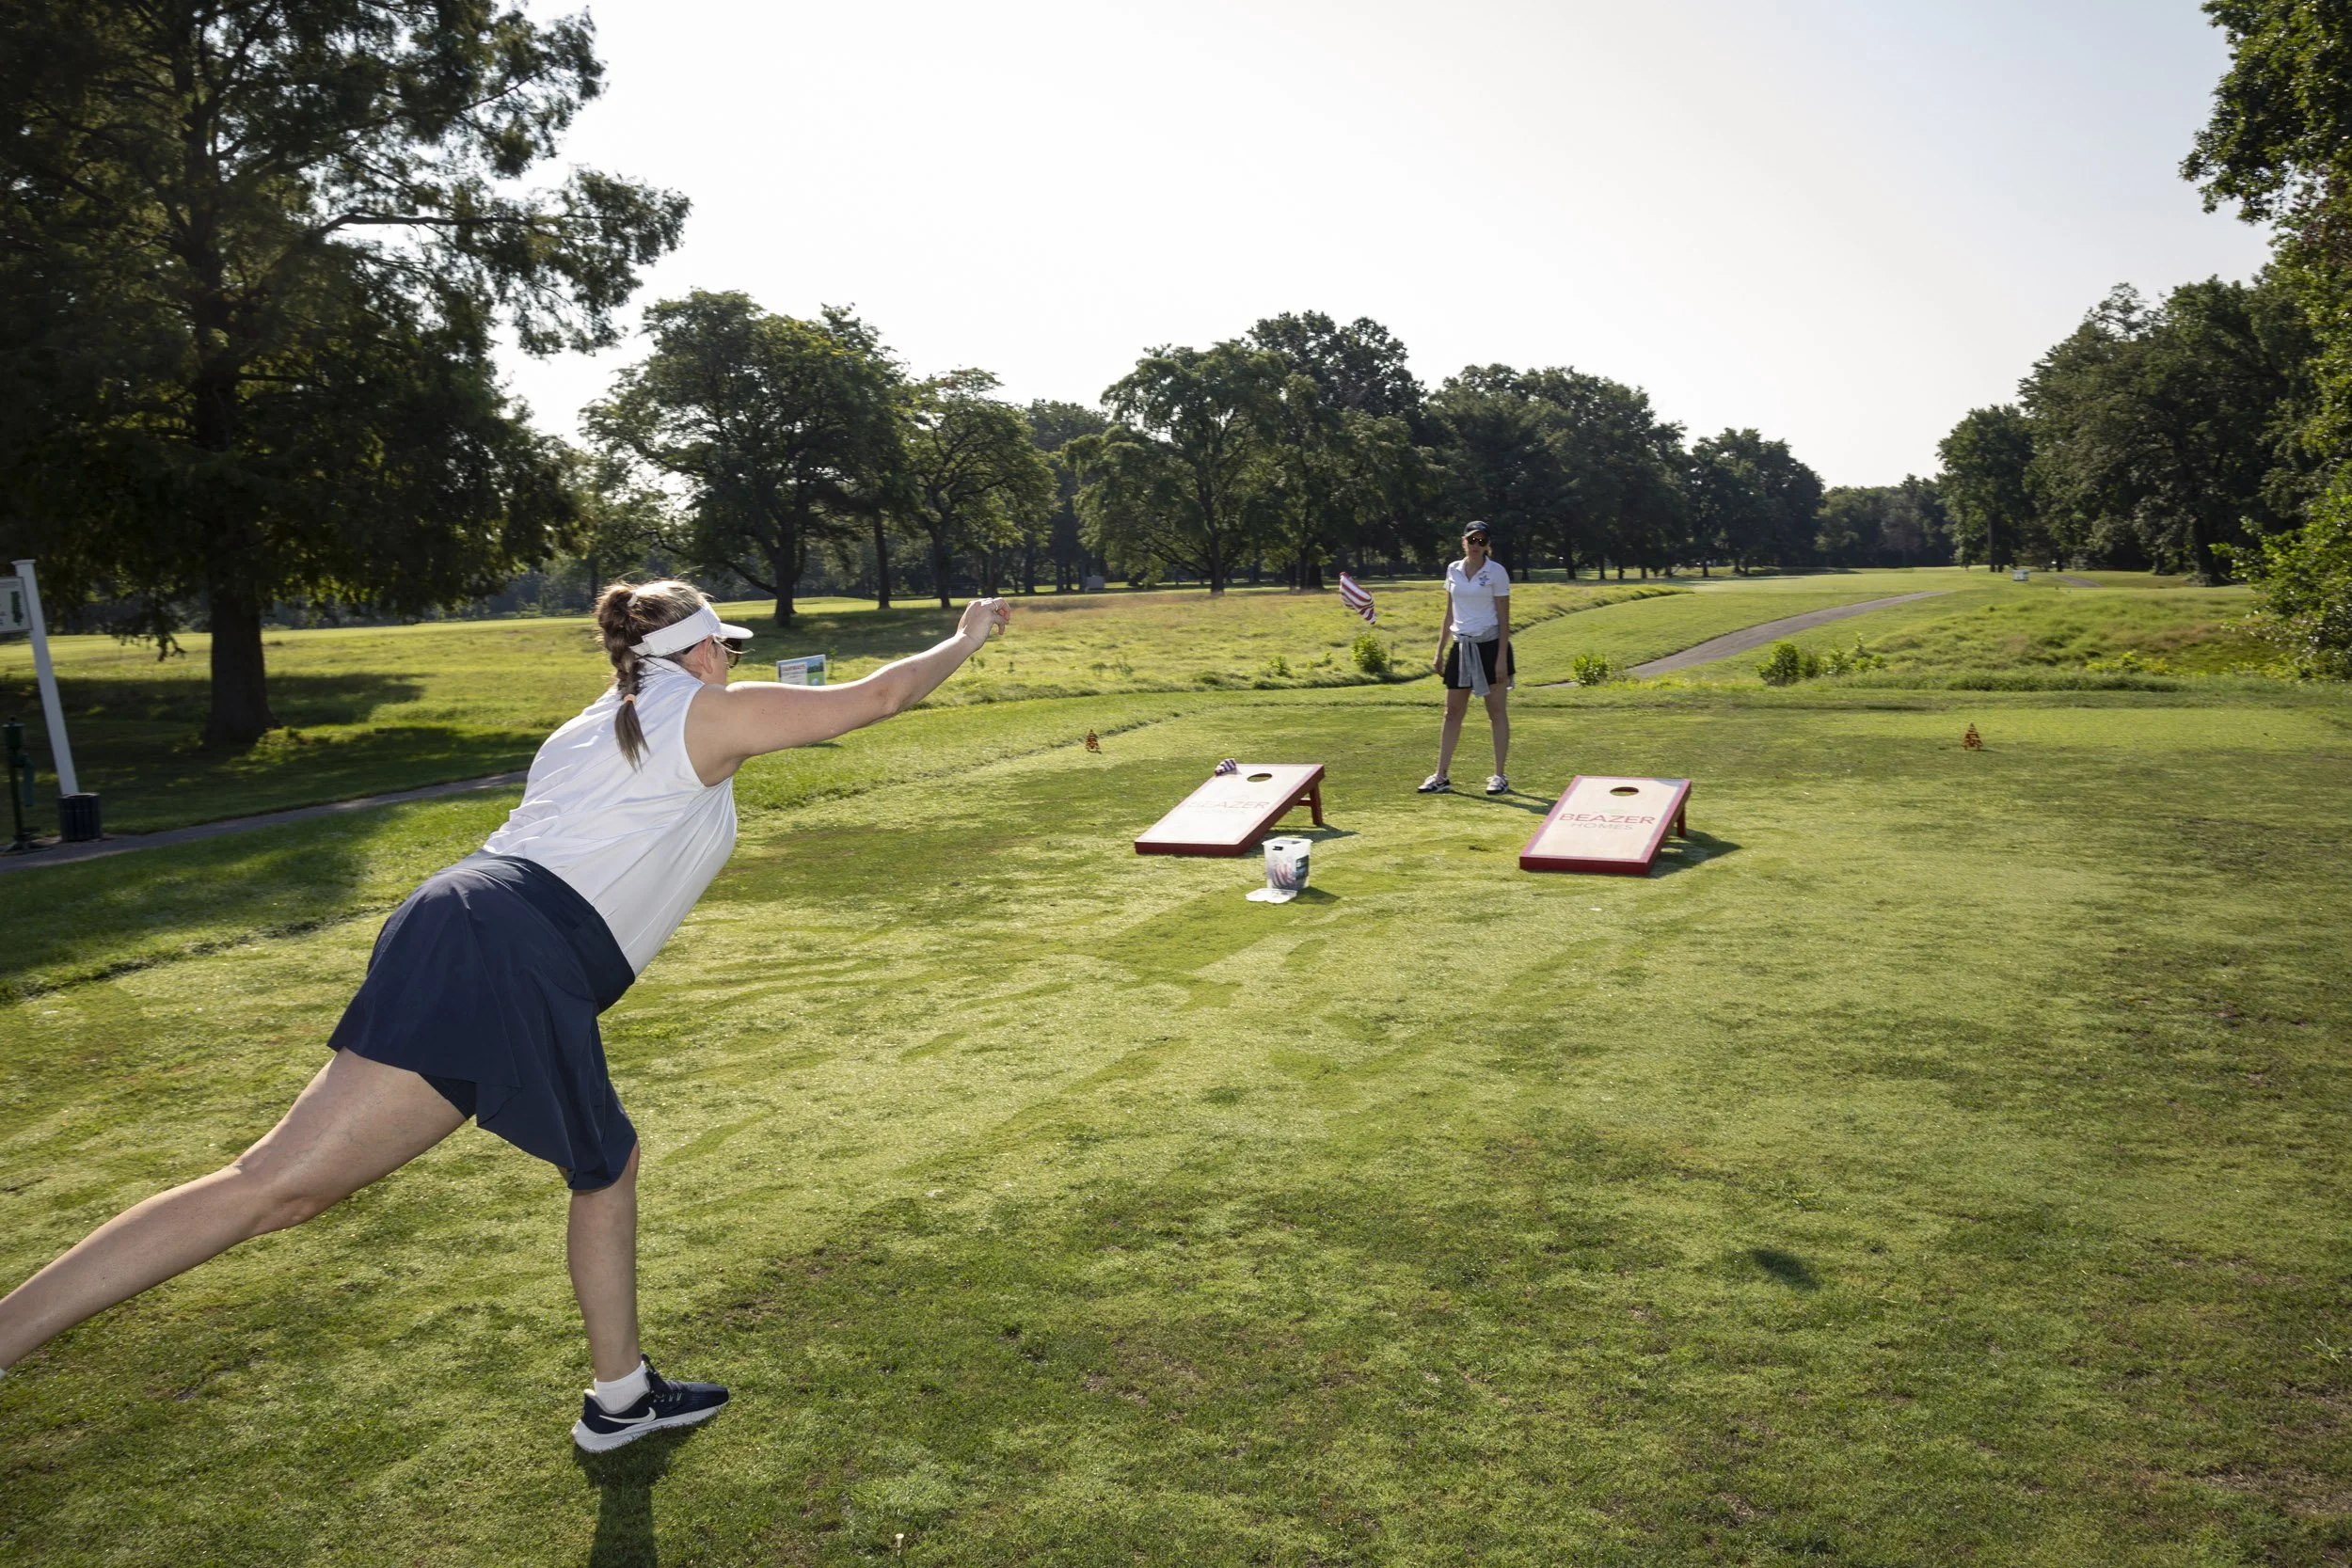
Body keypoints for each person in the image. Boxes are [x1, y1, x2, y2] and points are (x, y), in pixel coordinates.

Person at [0, 580, 1010, 1451]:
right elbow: (875, 697)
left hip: (471, 919)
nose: (731, 664)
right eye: (726, 649)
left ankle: (621, 1398)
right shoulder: (693, 708)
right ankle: (619, 1400)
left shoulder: (604, 718)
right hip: (511, 943)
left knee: (345, 1179)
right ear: (698, 648)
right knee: (281, 1185)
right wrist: (966, 637)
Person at [1421, 522, 1514, 795]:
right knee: (1452, 713)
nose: (1476, 545)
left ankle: (1499, 776)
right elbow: (1449, 612)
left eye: (1481, 540)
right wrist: (1439, 650)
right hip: (1461, 646)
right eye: (1471, 540)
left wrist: (1500, 660)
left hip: (1490, 645)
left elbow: (1504, 617)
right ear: (1464, 541)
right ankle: (1441, 776)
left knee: (1495, 712)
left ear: (1487, 544)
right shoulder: (1453, 569)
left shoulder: (1496, 572)